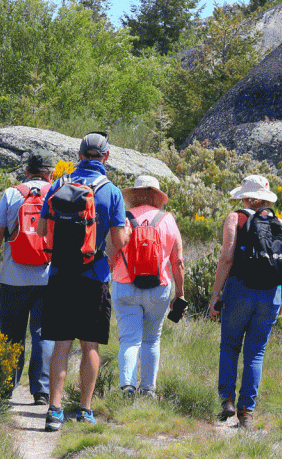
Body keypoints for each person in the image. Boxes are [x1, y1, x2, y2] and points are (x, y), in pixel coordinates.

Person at [36, 132, 128, 431]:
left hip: (61, 273)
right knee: (90, 345)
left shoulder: (59, 185)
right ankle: (85, 410)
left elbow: (40, 230)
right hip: (94, 275)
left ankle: (54, 410)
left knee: (61, 344)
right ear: (106, 156)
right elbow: (119, 239)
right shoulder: (111, 191)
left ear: (78, 154)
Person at [208, 175, 282, 429]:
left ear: (245, 197)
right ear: (264, 199)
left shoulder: (235, 218)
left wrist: (215, 295)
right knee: (256, 353)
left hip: (240, 290)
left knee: (230, 346)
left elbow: (227, 258)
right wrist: (281, 297)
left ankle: (227, 399)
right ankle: (247, 413)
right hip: (270, 294)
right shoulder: (279, 223)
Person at [0, 148, 55, 406]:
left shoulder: (12, 194)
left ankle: (5, 387)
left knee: (12, 334)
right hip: (48, 279)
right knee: (43, 333)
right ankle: (42, 391)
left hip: (13, 278)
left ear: (27, 171)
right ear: (51, 173)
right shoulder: (57, 194)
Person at [109, 175, 185, 399]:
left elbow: (111, 253)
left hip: (124, 285)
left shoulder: (123, 218)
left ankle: (128, 388)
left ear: (134, 195)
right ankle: (148, 390)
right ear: (157, 197)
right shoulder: (167, 219)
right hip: (158, 287)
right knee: (152, 339)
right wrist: (179, 294)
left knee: (129, 339)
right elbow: (178, 261)